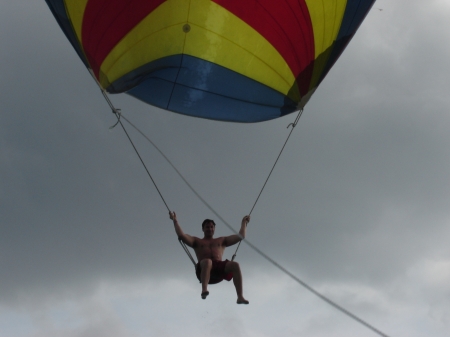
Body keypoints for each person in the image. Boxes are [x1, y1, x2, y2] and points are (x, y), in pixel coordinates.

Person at [169, 211, 250, 304]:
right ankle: (204, 290)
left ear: (214, 229)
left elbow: (241, 236)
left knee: (235, 265)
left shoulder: (222, 240)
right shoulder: (197, 241)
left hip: (219, 269)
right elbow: (182, 235)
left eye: (212, 227)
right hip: (203, 269)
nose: (210, 229)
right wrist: (174, 220)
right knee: (208, 262)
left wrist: (244, 222)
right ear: (203, 229)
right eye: (207, 227)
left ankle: (240, 297)